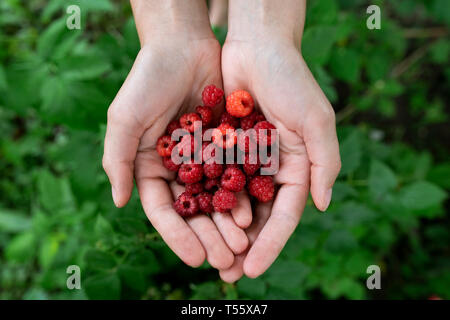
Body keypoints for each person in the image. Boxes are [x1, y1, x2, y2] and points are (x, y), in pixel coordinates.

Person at [102, 0, 341, 283]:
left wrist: (266, 34)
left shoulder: (234, 156)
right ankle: (220, 13)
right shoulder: (211, 164)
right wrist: (169, 36)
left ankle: (223, 12)